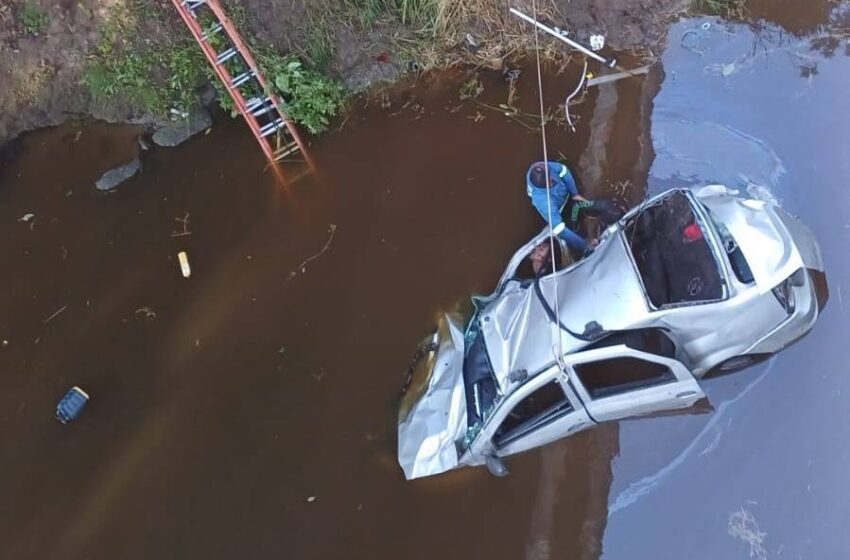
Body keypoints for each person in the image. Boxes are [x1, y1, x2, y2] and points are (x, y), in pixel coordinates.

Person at [525, 161, 623, 255]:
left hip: (572, 200)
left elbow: (564, 171)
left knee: (605, 206)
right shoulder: (545, 202)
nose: (552, 182)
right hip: (562, 212)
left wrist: (575, 193)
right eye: (549, 183)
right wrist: (585, 244)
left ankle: (606, 221)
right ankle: (578, 234)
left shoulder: (542, 166)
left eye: (550, 178)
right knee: (576, 232)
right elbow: (560, 229)